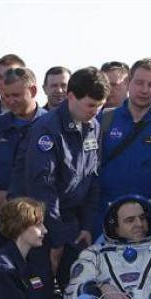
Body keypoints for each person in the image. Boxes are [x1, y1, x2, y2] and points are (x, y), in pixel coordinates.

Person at [21, 66, 109, 286]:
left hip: (74, 225)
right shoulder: (47, 129)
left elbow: (92, 179)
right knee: (41, 291)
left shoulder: (93, 127)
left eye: (100, 106)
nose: (95, 111)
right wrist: (57, 240)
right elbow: (43, 188)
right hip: (43, 226)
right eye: (90, 105)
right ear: (71, 97)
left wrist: (87, 226)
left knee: (76, 287)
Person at [96, 58, 151, 233]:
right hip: (105, 217)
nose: (144, 90)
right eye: (139, 83)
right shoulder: (105, 119)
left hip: (150, 220)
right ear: (128, 83)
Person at [0, 67, 46, 228]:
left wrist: (13, 196)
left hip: (35, 218)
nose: (10, 101)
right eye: (6, 96)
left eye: (16, 95)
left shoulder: (49, 126)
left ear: (33, 91)